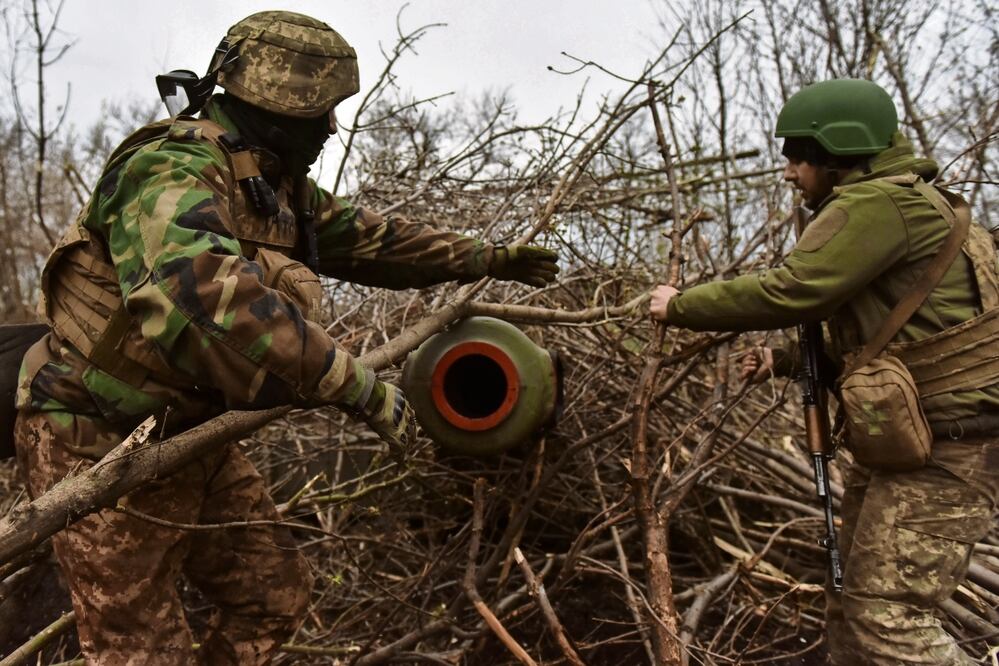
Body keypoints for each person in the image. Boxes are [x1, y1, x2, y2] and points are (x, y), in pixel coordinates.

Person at [14, 11, 558, 665]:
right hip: (94, 433)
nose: (332, 127)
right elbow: (206, 300)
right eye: (322, 111)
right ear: (275, 107)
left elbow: (366, 238)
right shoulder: (168, 170)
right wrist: (344, 379)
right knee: (138, 649)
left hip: (187, 436)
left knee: (274, 598)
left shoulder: (266, 182)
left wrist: (480, 257)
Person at [649, 78, 999, 665]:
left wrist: (680, 305)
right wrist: (785, 361)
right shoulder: (903, 202)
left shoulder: (878, 204)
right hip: (917, 447)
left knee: (889, 625)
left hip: (952, 451)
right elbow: (901, 341)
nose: (788, 171)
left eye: (797, 155)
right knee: (851, 608)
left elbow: (794, 291)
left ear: (836, 151)